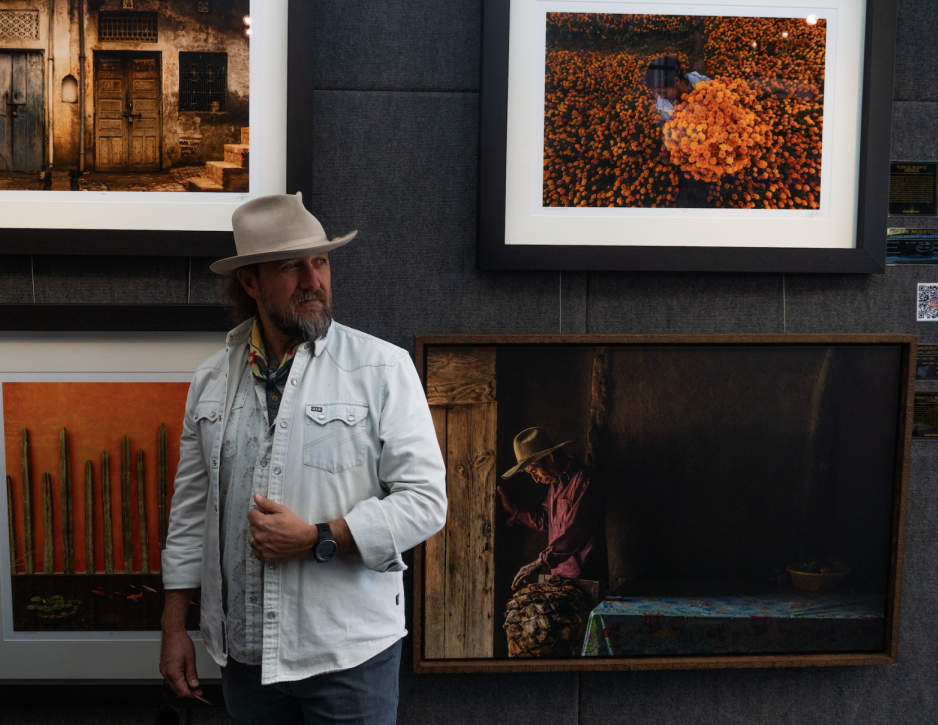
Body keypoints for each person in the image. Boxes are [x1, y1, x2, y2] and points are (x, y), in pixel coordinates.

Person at [158, 193, 447, 724]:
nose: (313, 280)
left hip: (348, 655)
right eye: (291, 266)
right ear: (251, 282)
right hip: (245, 660)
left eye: (321, 261)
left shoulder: (382, 367)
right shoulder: (211, 381)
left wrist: (320, 537)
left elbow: (426, 502)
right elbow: (191, 513)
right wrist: (176, 625)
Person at [496, 427, 605, 590]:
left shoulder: (583, 481)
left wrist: (540, 562)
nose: (536, 480)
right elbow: (547, 519)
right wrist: (513, 510)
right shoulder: (555, 485)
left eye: (534, 471)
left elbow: (574, 532)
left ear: (549, 457)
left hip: (585, 579)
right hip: (560, 578)